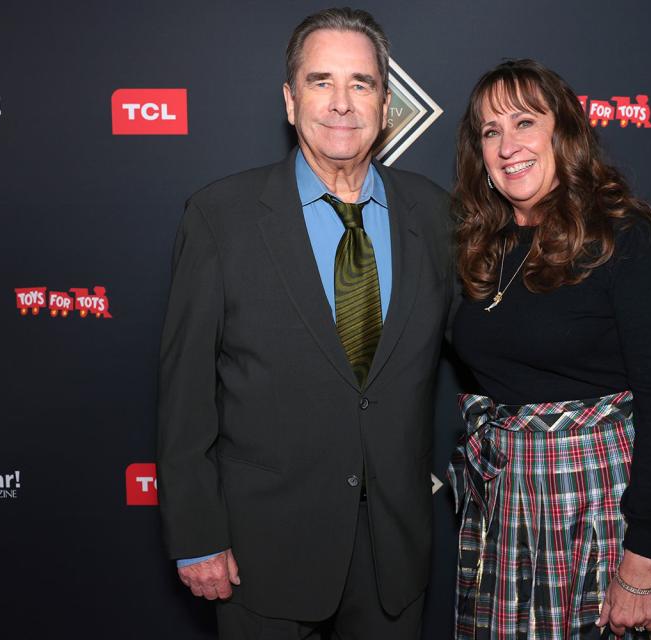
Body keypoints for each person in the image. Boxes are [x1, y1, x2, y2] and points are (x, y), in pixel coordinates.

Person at [156, 8, 453, 639]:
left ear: (386, 101)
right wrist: (196, 535)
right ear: (291, 102)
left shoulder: (434, 216)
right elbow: (185, 395)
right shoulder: (220, 217)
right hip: (261, 556)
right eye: (321, 82)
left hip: (393, 559)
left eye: (361, 83)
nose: (341, 103)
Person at [447, 59, 651, 639]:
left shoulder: (622, 238)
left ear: (563, 133)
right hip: (510, 508)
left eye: (523, 123)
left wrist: (642, 562)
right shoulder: (482, 247)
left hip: (600, 509)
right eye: (491, 131)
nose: (507, 145)